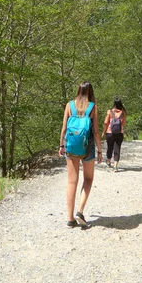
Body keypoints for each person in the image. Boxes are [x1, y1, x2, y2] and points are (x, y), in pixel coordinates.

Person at [59, 81, 102, 228]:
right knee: (88, 178)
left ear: (78, 90)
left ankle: (70, 219)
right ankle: (80, 210)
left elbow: (64, 128)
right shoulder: (92, 107)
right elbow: (96, 132)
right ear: (91, 92)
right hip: (87, 147)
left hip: (71, 147)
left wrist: (61, 145)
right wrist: (100, 150)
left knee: (72, 182)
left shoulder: (69, 105)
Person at [101, 97, 126, 172]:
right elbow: (123, 123)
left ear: (114, 104)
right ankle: (115, 166)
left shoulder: (110, 112)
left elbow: (106, 122)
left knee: (110, 147)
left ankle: (108, 161)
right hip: (119, 133)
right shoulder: (123, 112)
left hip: (110, 132)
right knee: (117, 148)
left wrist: (103, 132)